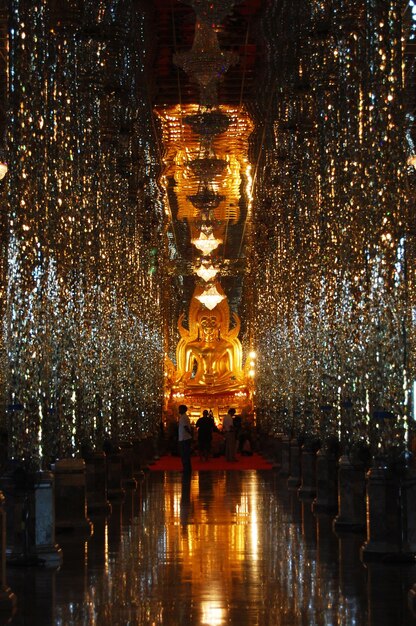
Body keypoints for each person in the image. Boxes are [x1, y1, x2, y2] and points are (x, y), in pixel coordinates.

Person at [178, 404, 192, 474]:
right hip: (185, 437)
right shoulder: (184, 417)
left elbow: (185, 427)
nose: (179, 411)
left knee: (184, 454)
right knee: (185, 454)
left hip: (184, 438)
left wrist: (190, 433)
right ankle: (187, 468)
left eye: (180, 409)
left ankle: (186, 468)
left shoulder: (183, 418)